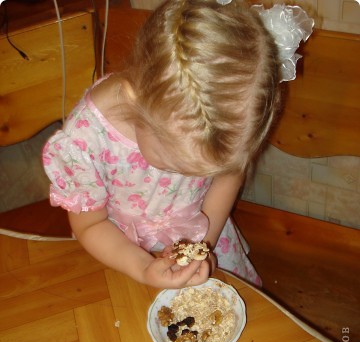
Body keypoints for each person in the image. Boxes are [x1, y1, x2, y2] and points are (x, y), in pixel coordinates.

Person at [43, 0, 313, 289]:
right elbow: (91, 225)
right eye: (175, 164)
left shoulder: (224, 122)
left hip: (207, 230)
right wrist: (144, 267)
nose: (189, 176)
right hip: (120, 252)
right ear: (137, 99)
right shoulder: (83, 142)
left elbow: (228, 179)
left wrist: (203, 246)